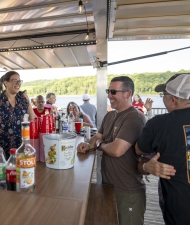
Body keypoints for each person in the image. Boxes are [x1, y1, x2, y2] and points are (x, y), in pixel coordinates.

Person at [77, 76, 146, 225]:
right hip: (109, 186)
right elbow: (97, 136)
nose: (109, 95)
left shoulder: (135, 118)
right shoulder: (110, 115)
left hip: (127, 190)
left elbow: (117, 150)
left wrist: (98, 146)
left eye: (113, 92)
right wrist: (89, 145)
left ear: (128, 94)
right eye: (108, 91)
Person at [135, 73, 190, 224]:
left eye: (163, 94)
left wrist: (146, 165)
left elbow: (139, 150)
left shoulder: (160, 124)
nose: (162, 98)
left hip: (180, 210)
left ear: (173, 100)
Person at [0, 71, 35, 159]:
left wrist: (28, 100)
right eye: (15, 81)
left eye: (20, 81)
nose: (18, 83)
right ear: (6, 83)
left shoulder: (23, 98)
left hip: (22, 148)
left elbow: (32, 118)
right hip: (2, 149)